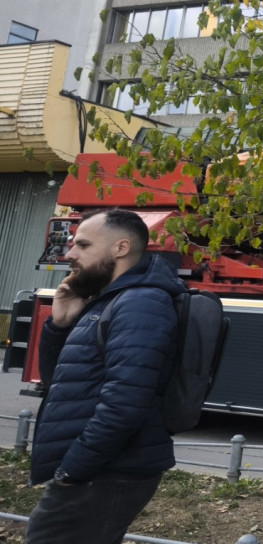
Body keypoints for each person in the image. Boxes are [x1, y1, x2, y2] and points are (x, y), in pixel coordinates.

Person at [26, 209, 183, 544]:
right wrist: (60, 325)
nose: (70, 254)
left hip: (106, 472)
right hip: (99, 470)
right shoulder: (109, 300)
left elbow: (125, 403)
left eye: (82, 245)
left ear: (120, 248)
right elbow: (62, 387)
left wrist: (74, 471)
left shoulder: (141, 302)